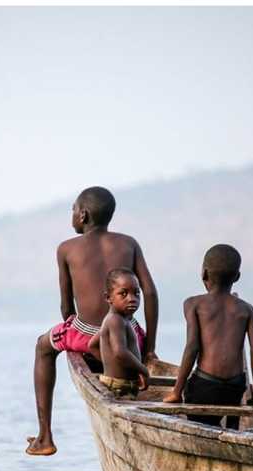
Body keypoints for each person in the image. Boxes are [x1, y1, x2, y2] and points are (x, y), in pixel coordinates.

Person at [26, 187, 159, 456]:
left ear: (83, 215)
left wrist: (73, 332)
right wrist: (149, 349)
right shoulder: (129, 243)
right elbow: (151, 293)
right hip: (128, 333)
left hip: (86, 334)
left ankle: (45, 437)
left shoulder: (66, 248)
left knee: (42, 347)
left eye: (73, 210)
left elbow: (66, 306)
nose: (72, 215)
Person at [162, 244, 253, 429]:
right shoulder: (246, 309)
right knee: (233, 416)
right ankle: (233, 431)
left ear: (204, 273)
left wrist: (177, 391)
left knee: (199, 423)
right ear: (237, 277)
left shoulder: (193, 304)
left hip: (205, 384)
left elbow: (192, 347)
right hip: (235, 387)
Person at [97, 269, 150, 397]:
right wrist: (143, 370)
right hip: (119, 387)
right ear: (108, 298)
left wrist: (109, 363)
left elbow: (92, 344)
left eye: (136, 293)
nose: (132, 299)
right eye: (123, 293)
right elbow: (120, 352)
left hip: (120, 385)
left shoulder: (119, 319)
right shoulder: (115, 320)